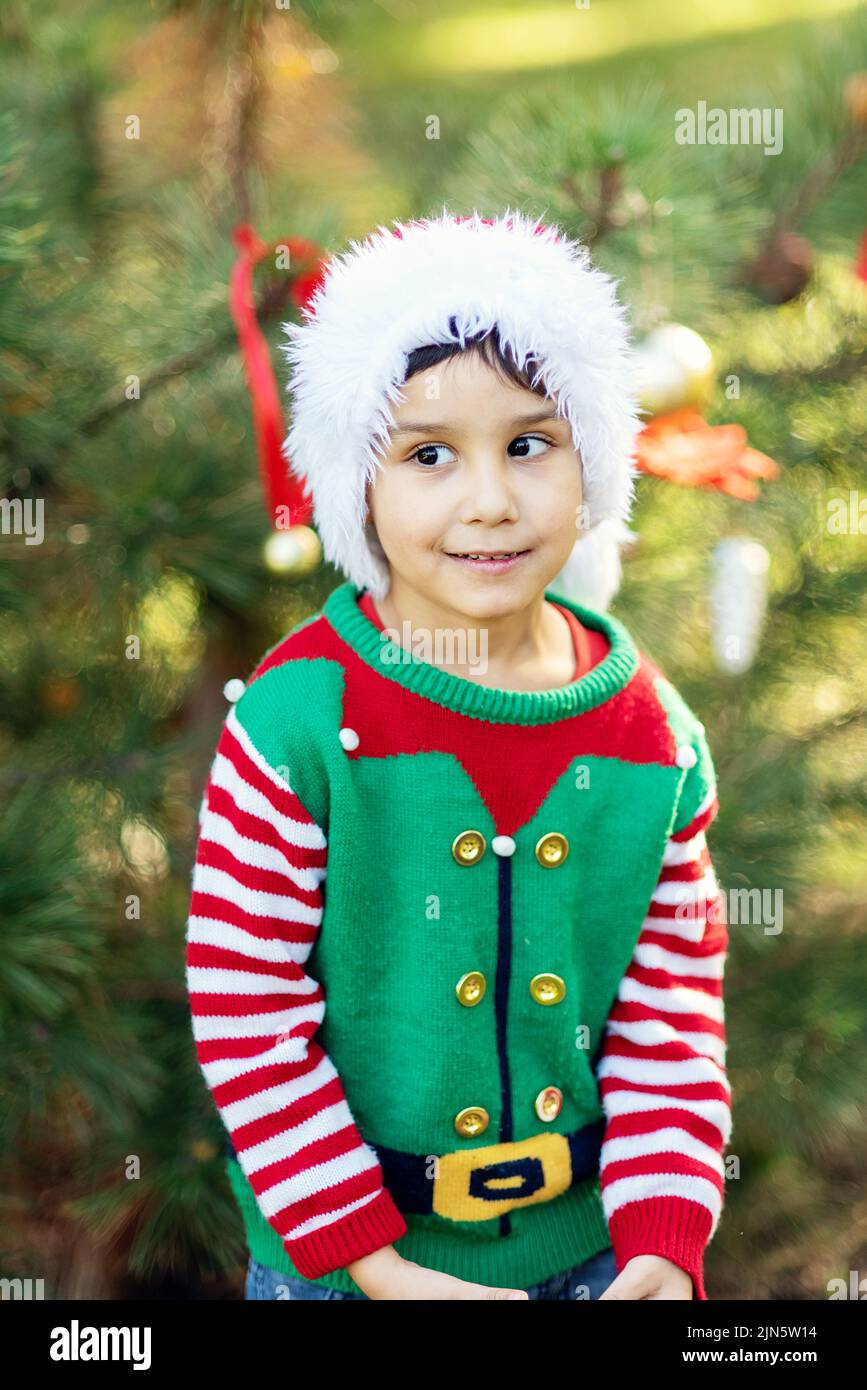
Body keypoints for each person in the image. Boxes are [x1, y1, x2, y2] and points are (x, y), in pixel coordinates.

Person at [184, 208, 731, 1301]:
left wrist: (664, 1234)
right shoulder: (299, 726)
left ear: (595, 468)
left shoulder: (648, 732)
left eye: (531, 444)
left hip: (591, 1257)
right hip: (345, 1265)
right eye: (428, 453)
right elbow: (247, 1007)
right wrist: (374, 1265)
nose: (490, 500)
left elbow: (668, 1007)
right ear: (360, 489)